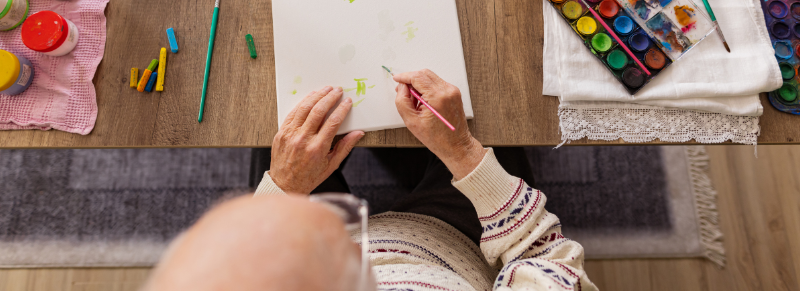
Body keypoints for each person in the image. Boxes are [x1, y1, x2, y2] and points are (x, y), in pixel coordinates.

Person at [145, 70, 598, 291]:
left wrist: (283, 189)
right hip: (454, 238)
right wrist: (462, 152)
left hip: (313, 239)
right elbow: (546, 257)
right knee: (483, 126)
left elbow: (236, 252)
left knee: (286, 135)